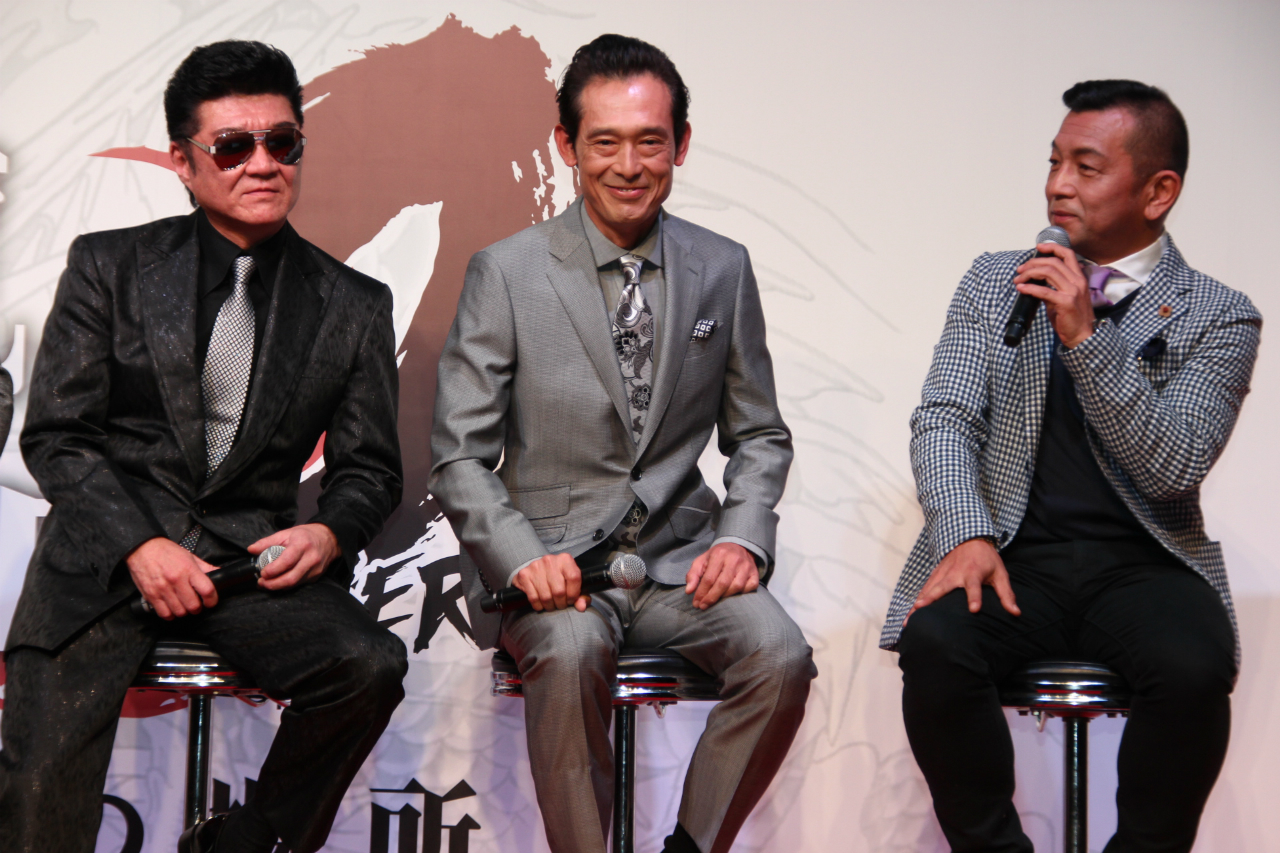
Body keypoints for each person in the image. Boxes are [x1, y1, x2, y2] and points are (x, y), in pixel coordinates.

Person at [0, 40, 406, 853]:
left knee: (368, 664)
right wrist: (139, 545)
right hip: (101, 561)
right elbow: (58, 434)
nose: (262, 164)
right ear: (183, 162)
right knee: (39, 801)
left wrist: (329, 532)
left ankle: (240, 843)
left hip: (246, 565)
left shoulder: (353, 303)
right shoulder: (109, 266)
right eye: (232, 146)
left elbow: (368, 469)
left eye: (282, 142)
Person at [431, 34, 816, 853]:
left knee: (781, 655)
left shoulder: (722, 268)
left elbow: (760, 432)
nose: (630, 165)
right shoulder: (507, 272)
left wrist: (743, 537)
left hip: (681, 565)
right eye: (605, 141)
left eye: (650, 141)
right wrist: (521, 557)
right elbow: (460, 456)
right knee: (571, 652)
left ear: (681, 143)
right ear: (567, 145)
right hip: (554, 574)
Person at [882, 80, 1262, 853]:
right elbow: (944, 418)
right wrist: (966, 532)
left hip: (1145, 562)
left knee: (1193, 667)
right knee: (936, 643)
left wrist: (1087, 339)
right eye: (1054, 161)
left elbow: (1175, 463)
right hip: (1015, 555)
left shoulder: (1219, 313)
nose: (1058, 184)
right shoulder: (995, 280)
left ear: (1158, 192)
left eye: (1086, 167)